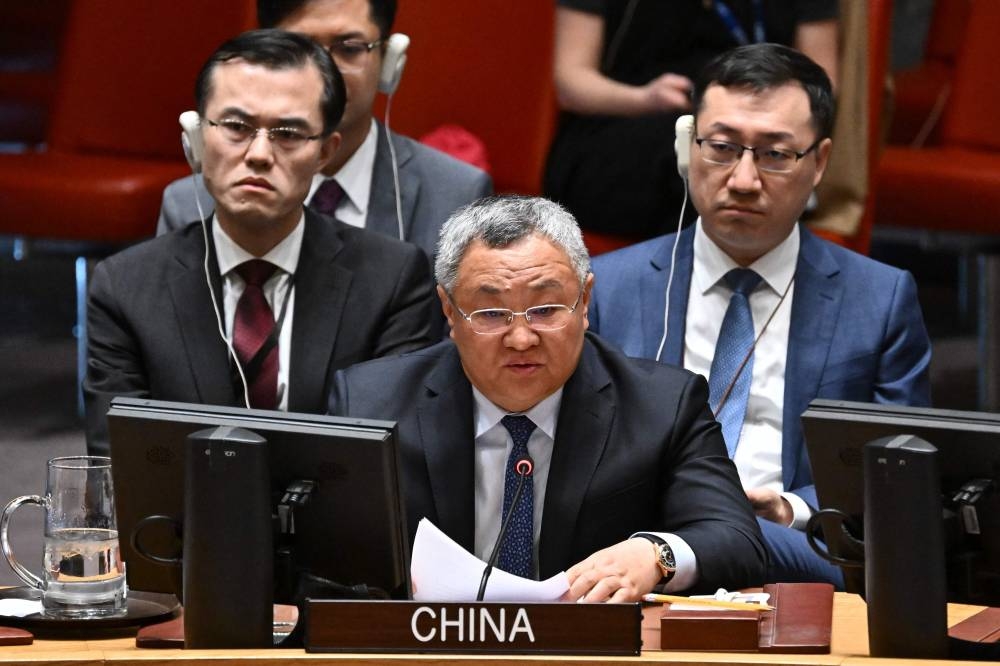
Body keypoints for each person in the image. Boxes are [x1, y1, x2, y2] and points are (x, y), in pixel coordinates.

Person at [590, 43, 932, 586]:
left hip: (798, 559)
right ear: (688, 146)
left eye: (774, 154)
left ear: (818, 162)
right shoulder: (609, 286)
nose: (744, 179)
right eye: (721, 147)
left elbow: (895, 477)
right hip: (631, 562)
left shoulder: (879, 299)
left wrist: (790, 511)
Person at [329, 195, 766, 601]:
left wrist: (655, 554)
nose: (521, 338)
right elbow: (326, 560)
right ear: (448, 311)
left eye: (546, 310)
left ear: (585, 300)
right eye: (491, 313)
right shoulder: (371, 406)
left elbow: (738, 540)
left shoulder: (662, 405)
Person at [84, 29, 436, 455]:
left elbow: (390, 459)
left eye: (288, 133)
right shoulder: (125, 288)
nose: (259, 154)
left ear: (325, 152)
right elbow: (118, 465)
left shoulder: (392, 281)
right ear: (196, 139)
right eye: (236, 126)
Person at [157, 0, 492, 262]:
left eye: (349, 48)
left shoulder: (456, 195)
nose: (324, 75)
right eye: (299, 49)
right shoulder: (190, 204)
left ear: (390, 61)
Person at [544, 0, 838, 240]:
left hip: (755, 127)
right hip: (623, 127)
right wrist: (645, 99)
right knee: (695, 153)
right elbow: (572, 83)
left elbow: (821, 86)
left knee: (734, 153)